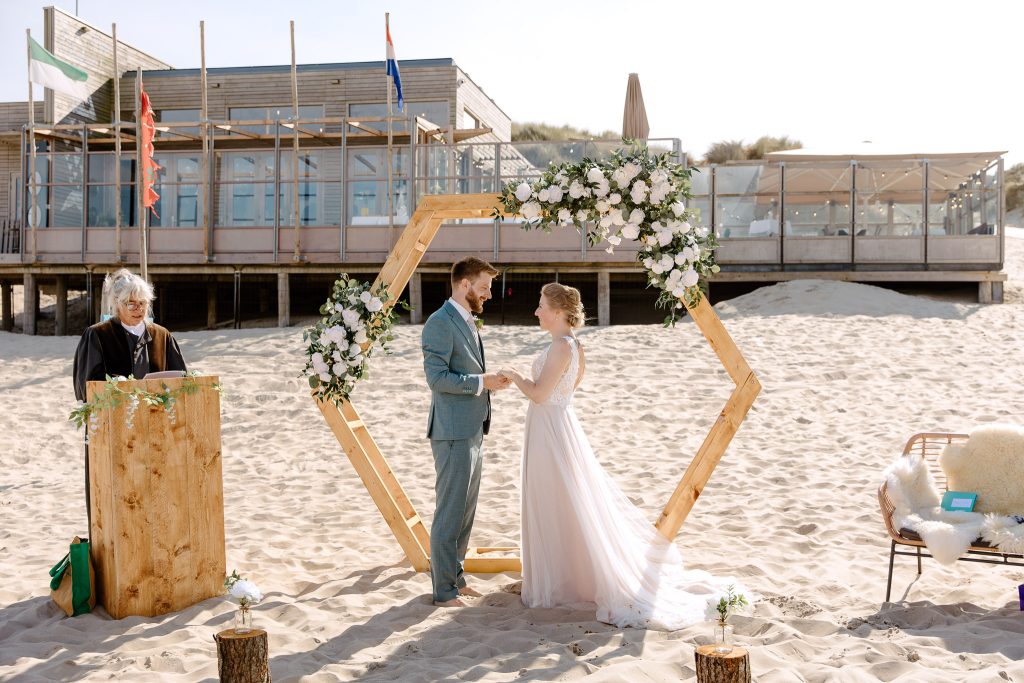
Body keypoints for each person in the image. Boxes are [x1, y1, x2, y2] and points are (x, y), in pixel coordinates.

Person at [499, 283, 747, 629]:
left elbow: (540, 395)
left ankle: (560, 581)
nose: (536, 311)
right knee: (564, 500)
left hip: (551, 429)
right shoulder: (572, 345)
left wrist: (515, 376)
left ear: (557, 312)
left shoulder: (561, 346)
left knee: (559, 499)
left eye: (541, 305)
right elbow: (569, 387)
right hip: (557, 425)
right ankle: (558, 576)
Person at [421, 257, 510, 607]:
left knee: (466, 511)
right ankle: (443, 591)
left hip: (473, 428)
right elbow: (437, 378)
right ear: (464, 285)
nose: (488, 294)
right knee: (450, 511)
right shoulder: (439, 323)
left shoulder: (467, 320)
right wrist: (481, 383)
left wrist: (488, 383)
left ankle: (456, 579)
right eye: (484, 287)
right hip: (452, 430)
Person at [72, 269, 188, 530]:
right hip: (114, 432)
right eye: (131, 303)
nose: (138, 309)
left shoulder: (161, 336)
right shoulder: (97, 335)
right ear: (117, 304)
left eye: (143, 303)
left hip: (158, 431)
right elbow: (87, 387)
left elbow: (182, 382)